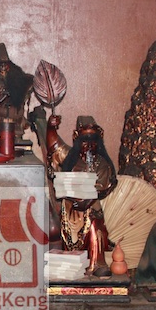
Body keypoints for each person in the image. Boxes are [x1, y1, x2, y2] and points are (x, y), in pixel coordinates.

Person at [47, 115, 118, 276]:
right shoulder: (70, 158)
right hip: (70, 210)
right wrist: (51, 127)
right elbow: (54, 147)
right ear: (77, 140)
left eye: (93, 141)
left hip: (91, 208)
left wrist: (87, 200)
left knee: (95, 228)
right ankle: (70, 268)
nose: (89, 146)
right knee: (66, 238)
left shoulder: (101, 163)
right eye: (85, 141)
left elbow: (102, 186)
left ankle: (97, 264)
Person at [0, 38, 34, 139]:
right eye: (1, 65)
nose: (3, 67)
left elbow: (26, 83)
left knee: (13, 113)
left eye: (5, 65)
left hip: (12, 109)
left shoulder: (16, 77)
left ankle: (15, 134)